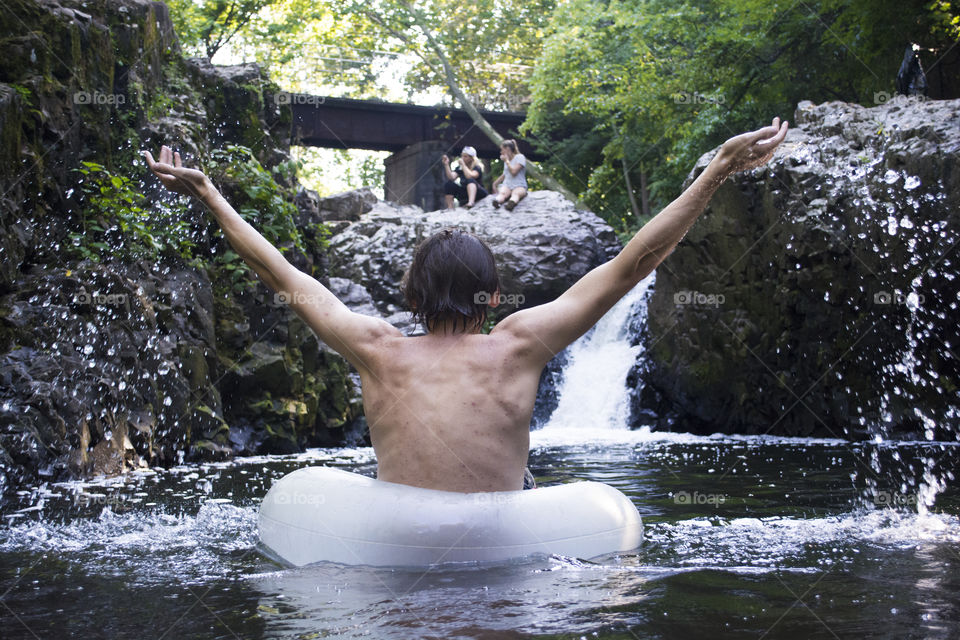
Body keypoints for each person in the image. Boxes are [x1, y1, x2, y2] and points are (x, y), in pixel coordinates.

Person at [143, 117, 788, 494]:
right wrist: (718, 168)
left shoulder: (375, 349)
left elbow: (276, 270)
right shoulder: (520, 343)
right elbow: (636, 265)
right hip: (503, 556)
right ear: (496, 298)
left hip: (395, 551)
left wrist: (208, 193)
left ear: (411, 297)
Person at [492, 139, 527, 211]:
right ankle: (497, 201)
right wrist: (495, 183)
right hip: (507, 184)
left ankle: (511, 203)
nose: (501, 152)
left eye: (502, 150)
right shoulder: (506, 161)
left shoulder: (520, 157)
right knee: (502, 194)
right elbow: (505, 174)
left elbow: (514, 172)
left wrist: (507, 161)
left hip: (519, 185)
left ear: (507, 149)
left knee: (515, 194)